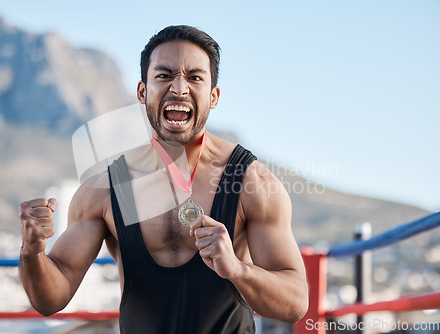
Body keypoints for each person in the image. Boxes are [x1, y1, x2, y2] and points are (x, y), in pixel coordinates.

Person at [19, 25, 308, 333]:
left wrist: (238, 270)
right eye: (164, 75)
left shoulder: (251, 183)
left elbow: (295, 304)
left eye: (194, 77)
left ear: (213, 96)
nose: (179, 89)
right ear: (142, 91)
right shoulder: (105, 190)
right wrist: (33, 251)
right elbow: (50, 299)